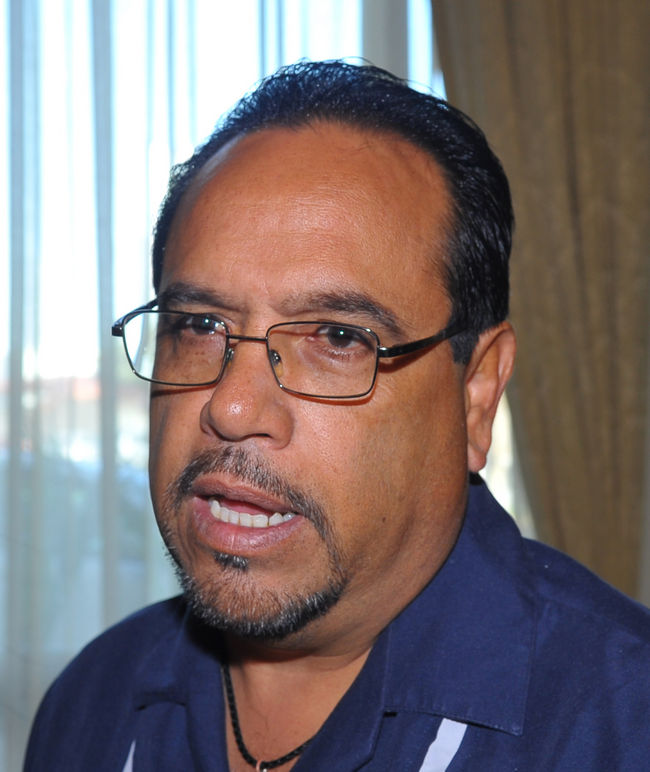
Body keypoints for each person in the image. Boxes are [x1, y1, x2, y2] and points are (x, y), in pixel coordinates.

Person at [24, 60, 650, 772]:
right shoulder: (92, 705)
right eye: (198, 324)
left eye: (338, 338)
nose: (232, 405)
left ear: (476, 392)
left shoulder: (623, 727)